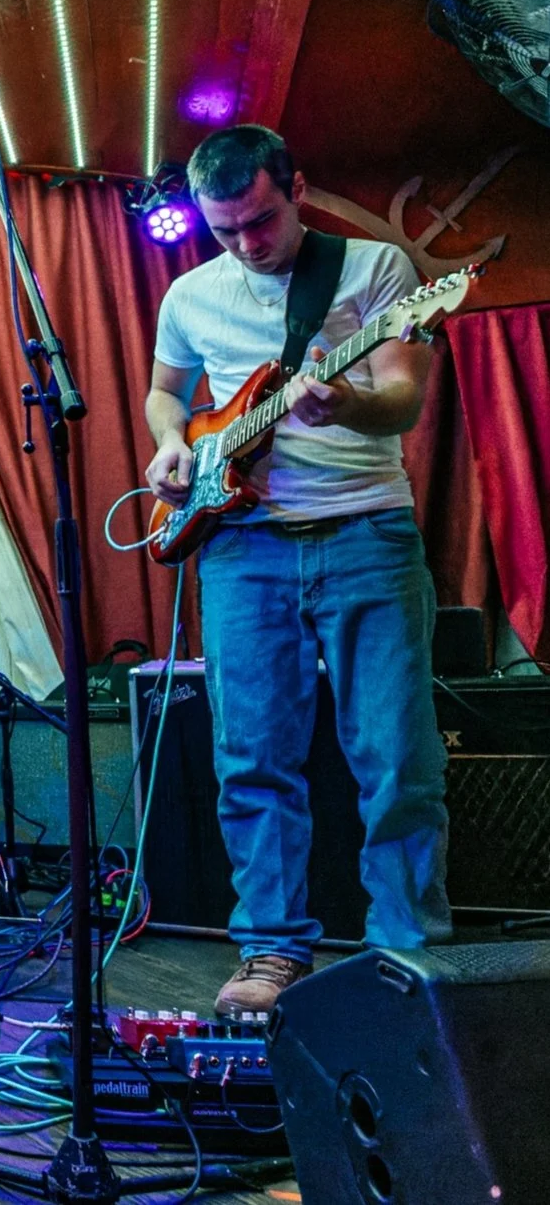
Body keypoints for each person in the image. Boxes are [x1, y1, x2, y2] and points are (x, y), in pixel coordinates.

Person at [144, 124, 449, 1018]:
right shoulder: (190, 293)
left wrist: (346, 401)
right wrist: (173, 441)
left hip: (364, 534)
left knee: (396, 759)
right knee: (252, 759)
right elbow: (168, 389)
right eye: (224, 229)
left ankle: (407, 954)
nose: (245, 244)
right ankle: (271, 950)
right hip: (241, 549)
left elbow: (402, 399)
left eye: (261, 222)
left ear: (297, 189)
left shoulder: (377, 272)